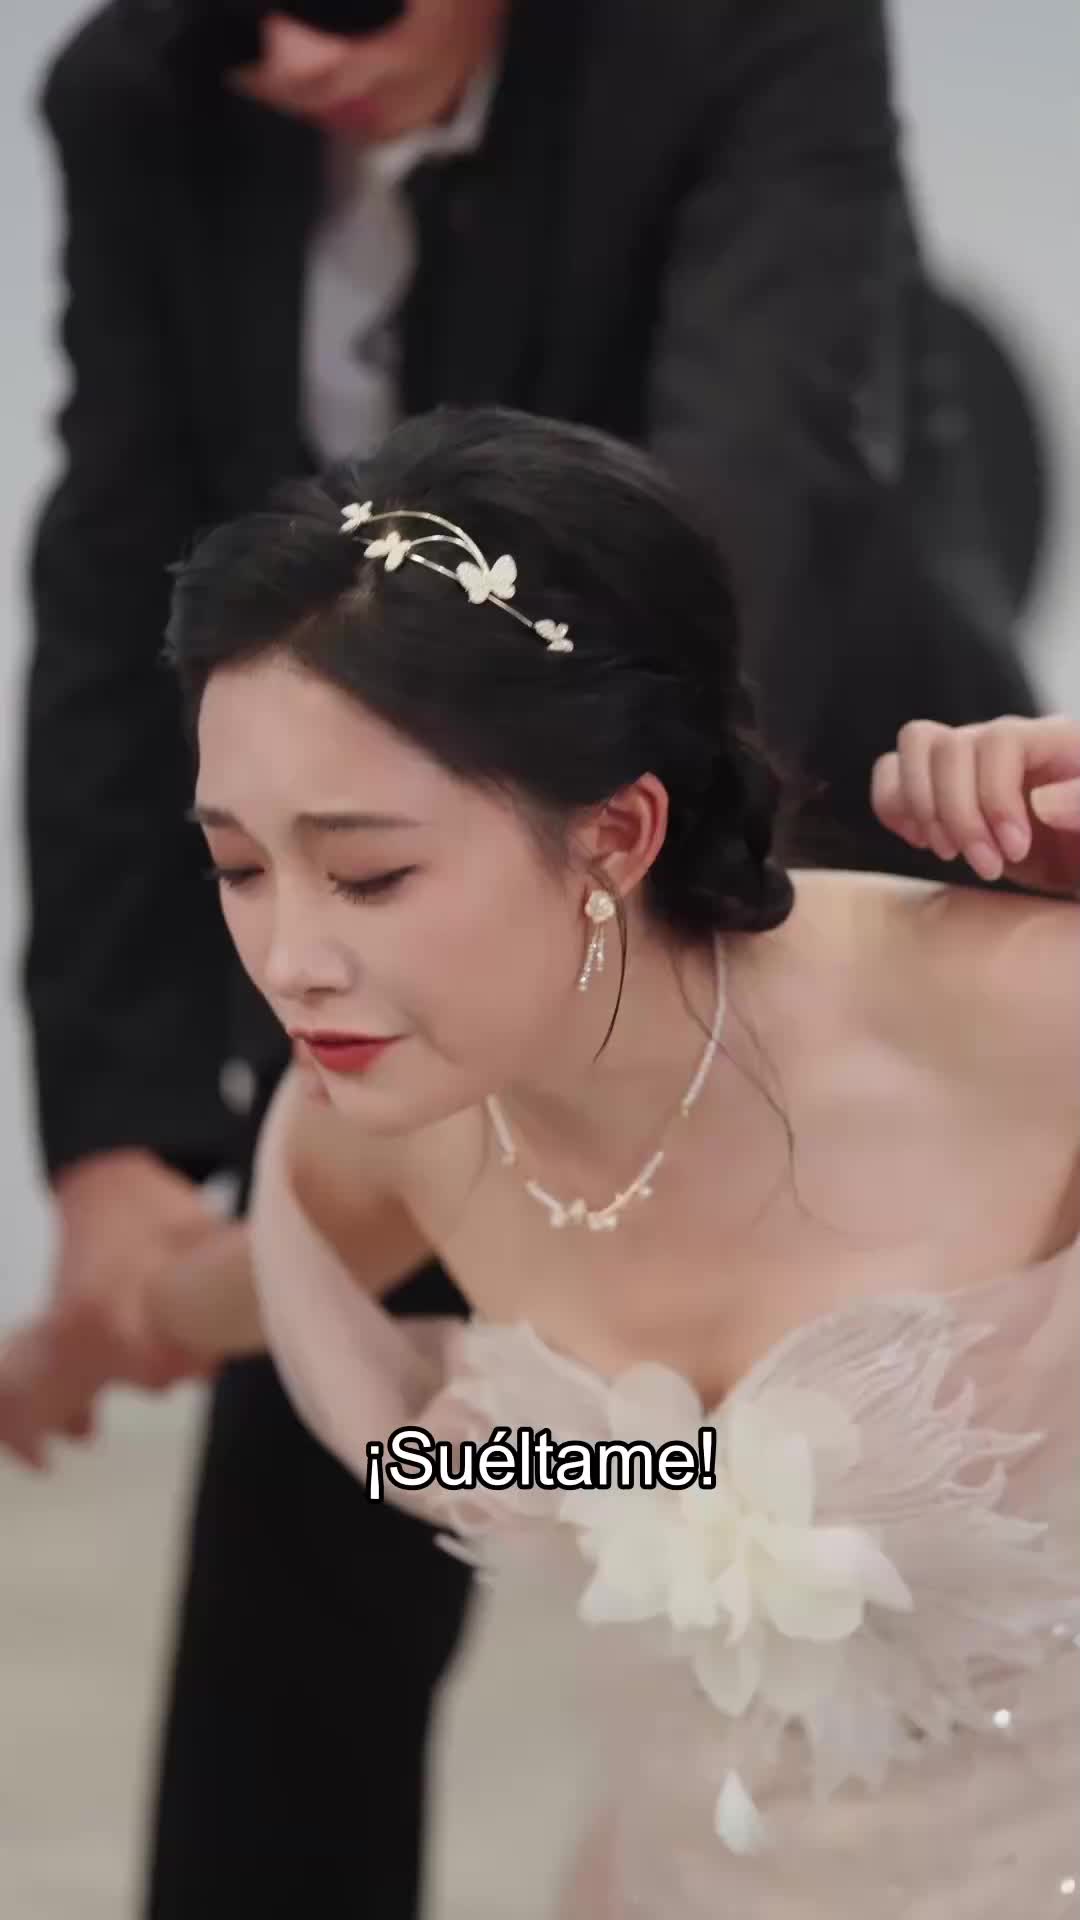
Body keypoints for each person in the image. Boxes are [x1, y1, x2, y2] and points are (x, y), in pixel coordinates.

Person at [22, 2, 1043, 1911]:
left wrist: (641, 886)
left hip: (764, 806)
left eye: (358, 876)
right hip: (697, 1864)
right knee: (283, 1654)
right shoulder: (383, 1143)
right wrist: (113, 1218)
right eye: (235, 868)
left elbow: (762, 461)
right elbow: (101, 587)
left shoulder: (997, 1035)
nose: (287, 54)